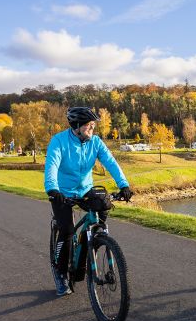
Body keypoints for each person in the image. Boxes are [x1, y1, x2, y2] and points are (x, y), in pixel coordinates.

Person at [44, 107, 134, 296]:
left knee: (103, 208)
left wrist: (124, 185)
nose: (92, 130)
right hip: (62, 192)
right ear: (76, 126)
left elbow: (110, 162)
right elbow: (51, 165)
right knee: (67, 230)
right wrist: (53, 189)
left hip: (85, 189)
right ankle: (61, 273)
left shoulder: (95, 142)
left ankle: (94, 242)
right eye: (88, 126)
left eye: (93, 126)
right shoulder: (59, 141)